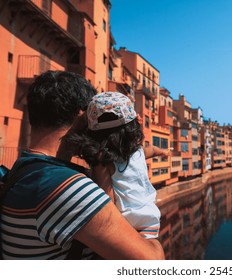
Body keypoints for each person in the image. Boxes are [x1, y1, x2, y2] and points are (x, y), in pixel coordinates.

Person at [0, 71, 164, 260]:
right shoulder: (65, 187)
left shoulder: (23, 171)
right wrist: (153, 242)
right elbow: (153, 262)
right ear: (83, 117)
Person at [63, 92, 169, 239]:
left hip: (127, 222)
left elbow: (107, 200)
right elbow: (151, 150)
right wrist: (163, 152)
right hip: (150, 219)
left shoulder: (102, 161)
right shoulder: (137, 151)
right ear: (133, 128)